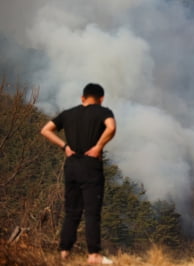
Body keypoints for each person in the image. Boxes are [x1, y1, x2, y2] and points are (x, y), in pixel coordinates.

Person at [41, 83, 116, 264]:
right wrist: (98, 147)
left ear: (82, 98)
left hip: (72, 165)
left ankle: (64, 253)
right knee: (91, 212)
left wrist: (65, 147)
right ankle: (94, 255)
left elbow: (45, 130)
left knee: (71, 211)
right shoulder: (103, 111)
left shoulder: (68, 114)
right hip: (91, 166)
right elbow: (111, 128)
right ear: (101, 99)